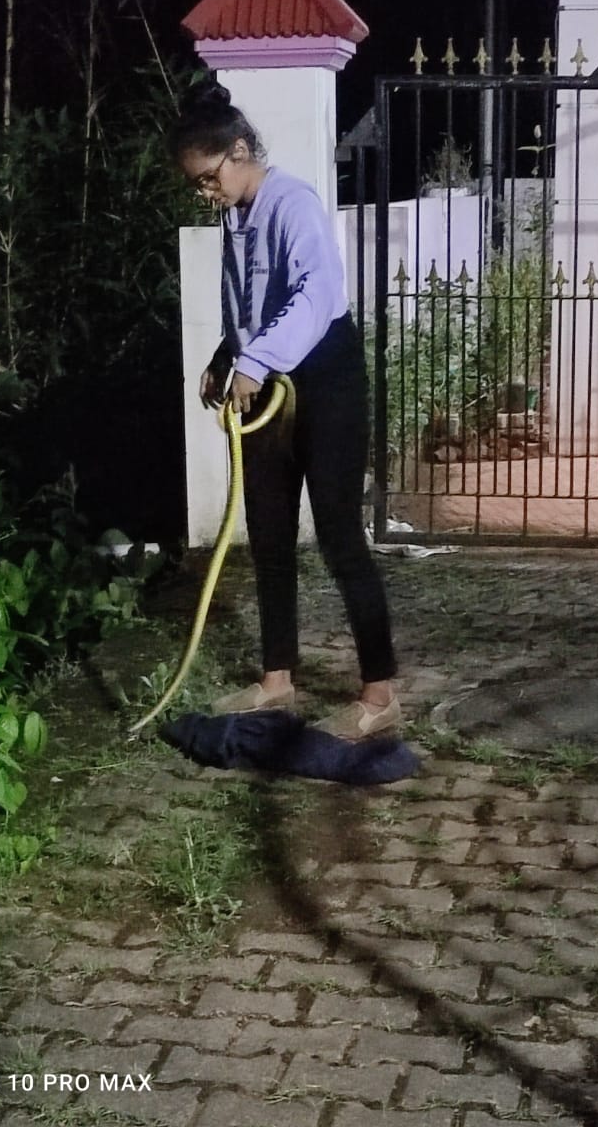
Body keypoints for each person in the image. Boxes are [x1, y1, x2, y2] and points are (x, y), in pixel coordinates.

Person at [169, 80, 399, 740]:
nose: (206, 192)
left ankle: (379, 695)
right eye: (198, 185)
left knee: (337, 537)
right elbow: (254, 303)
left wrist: (255, 361)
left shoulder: (291, 203)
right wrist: (227, 353)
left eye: (209, 177)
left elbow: (315, 293)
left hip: (324, 381)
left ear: (240, 151)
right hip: (268, 384)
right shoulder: (234, 215)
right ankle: (277, 682)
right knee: (269, 536)